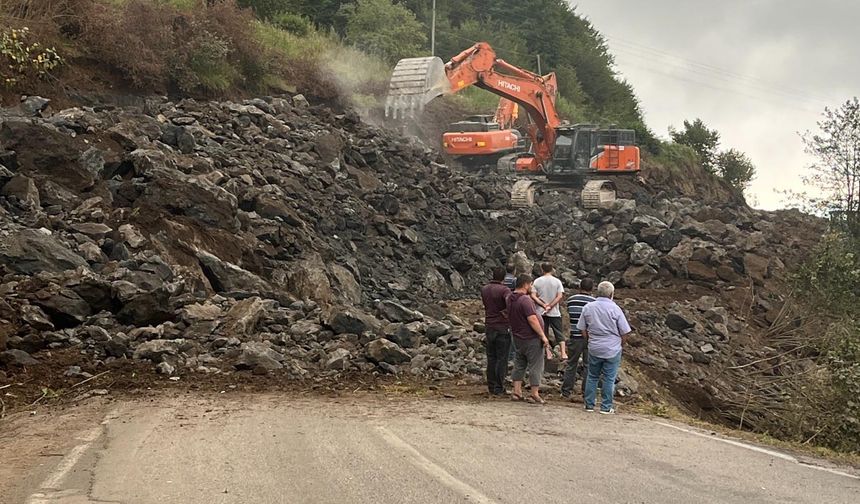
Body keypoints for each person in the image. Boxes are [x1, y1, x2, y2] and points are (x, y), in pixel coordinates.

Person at [577, 281, 632, 414]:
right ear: (612, 294)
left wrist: (590, 339)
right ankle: (606, 406)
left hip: (595, 346)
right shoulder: (615, 309)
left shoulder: (588, 307)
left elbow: (582, 328)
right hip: (612, 348)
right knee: (609, 378)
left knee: (592, 376)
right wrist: (620, 344)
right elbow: (625, 331)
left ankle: (589, 404)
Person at [508, 274, 552, 404]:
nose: (531, 287)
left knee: (519, 363)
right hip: (530, 337)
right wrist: (543, 336)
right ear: (526, 284)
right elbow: (532, 319)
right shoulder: (525, 300)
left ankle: (516, 391)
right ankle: (534, 393)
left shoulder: (509, 298)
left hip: (517, 337)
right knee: (536, 365)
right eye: (531, 285)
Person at [561, 278, 595, 400]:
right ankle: (586, 392)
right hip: (589, 337)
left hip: (574, 336)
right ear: (591, 289)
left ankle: (566, 391)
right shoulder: (593, 302)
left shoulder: (571, 300)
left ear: (579, 287)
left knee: (571, 364)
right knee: (588, 365)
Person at [480, 266, 512, 397]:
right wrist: (505, 313)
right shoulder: (505, 290)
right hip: (502, 327)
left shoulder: (485, 289)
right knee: (502, 358)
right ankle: (499, 387)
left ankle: (491, 386)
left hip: (489, 325)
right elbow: (510, 303)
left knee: (491, 357)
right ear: (504, 277)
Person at [531, 263, 567, 360]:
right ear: (552, 269)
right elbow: (559, 296)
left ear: (542, 269)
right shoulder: (557, 281)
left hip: (540, 311)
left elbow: (533, 296)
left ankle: (548, 353)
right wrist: (550, 306)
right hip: (554, 312)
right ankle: (563, 353)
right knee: (559, 332)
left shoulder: (537, 281)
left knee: (544, 332)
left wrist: (543, 305)